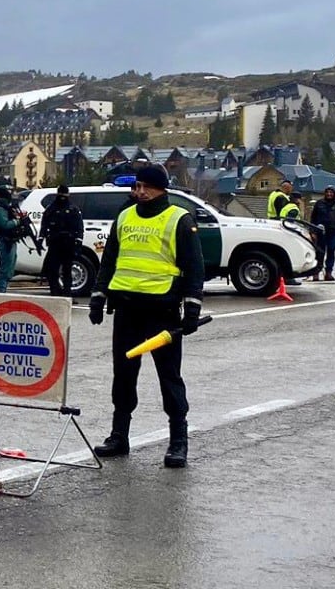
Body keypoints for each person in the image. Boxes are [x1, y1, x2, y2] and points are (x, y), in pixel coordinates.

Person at [88, 164, 204, 469]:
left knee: (169, 378)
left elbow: (194, 266)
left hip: (161, 311)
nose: (139, 192)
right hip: (126, 309)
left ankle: (178, 442)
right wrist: (98, 298)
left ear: (161, 189)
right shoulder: (124, 217)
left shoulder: (179, 219)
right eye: (136, 186)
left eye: (146, 187)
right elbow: (109, 260)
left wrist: (192, 307)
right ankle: (119, 436)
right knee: (123, 376)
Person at [39, 185, 84, 297]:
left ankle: (67, 294)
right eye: (61, 194)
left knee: (67, 270)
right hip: (54, 243)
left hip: (68, 244)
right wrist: (41, 238)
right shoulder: (51, 209)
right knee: (52, 270)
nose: (62, 197)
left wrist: (78, 242)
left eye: (64, 194)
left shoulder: (73, 209)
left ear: (68, 195)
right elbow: (44, 224)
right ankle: (55, 291)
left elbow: (79, 227)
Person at [311, 185, 335, 281]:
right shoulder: (319, 203)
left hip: (334, 233)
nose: (329, 194)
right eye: (327, 192)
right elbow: (313, 218)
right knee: (319, 253)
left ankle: (328, 273)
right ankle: (316, 273)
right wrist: (313, 231)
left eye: (331, 192)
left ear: (334, 193)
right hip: (321, 232)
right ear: (325, 193)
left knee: (331, 252)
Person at [0, 185, 21, 293]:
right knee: (5, 269)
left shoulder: (6, 208)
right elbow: (5, 224)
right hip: (5, 242)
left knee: (9, 268)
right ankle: (0, 291)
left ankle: (2, 289)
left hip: (11, 241)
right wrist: (17, 221)